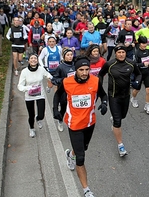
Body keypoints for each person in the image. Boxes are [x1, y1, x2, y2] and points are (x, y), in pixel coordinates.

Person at [63, 56, 108, 197]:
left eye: (87, 69)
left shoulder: (95, 81)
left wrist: (105, 103)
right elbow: (58, 95)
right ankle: (86, 189)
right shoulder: (67, 82)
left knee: (83, 149)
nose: (84, 72)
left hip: (89, 123)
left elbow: (103, 94)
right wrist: (56, 111)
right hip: (74, 124)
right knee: (81, 157)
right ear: (76, 70)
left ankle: (70, 154)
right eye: (81, 70)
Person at [98, 45, 142, 157]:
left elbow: (139, 74)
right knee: (118, 122)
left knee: (122, 116)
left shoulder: (131, 63)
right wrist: (100, 87)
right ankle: (120, 145)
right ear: (115, 53)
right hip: (113, 96)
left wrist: (137, 82)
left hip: (125, 95)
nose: (121, 54)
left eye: (123, 52)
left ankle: (115, 118)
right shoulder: (109, 64)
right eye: (119, 52)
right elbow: (101, 74)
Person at [17, 54, 53, 138]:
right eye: (31, 58)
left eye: (35, 58)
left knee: (41, 114)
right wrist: (27, 88)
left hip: (40, 95)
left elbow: (48, 75)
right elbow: (20, 86)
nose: (33, 60)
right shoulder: (24, 71)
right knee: (31, 114)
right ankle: (31, 128)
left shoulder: (41, 69)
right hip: (29, 96)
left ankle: (38, 119)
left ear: (37, 60)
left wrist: (50, 78)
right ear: (28, 61)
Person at [50, 47, 75, 132]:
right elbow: (54, 80)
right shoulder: (60, 67)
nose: (70, 56)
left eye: (71, 54)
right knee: (63, 108)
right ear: (64, 57)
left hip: (75, 91)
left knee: (74, 108)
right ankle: (60, 120)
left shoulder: (75, 65)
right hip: (64, 91)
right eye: (68, 55)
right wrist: (63, 80)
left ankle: (73, 122)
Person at [130, 36, 149, 114]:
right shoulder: (136, 53)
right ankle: (133, 98)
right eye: (143, 43)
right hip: (139, 74)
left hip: (147, 73)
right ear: (139, 44)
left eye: (146, 43)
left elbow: (148, 60)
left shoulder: (147, 51)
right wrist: (142, 64)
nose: (145, 45)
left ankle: (147, 105)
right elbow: (134, 64)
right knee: (137, 90)